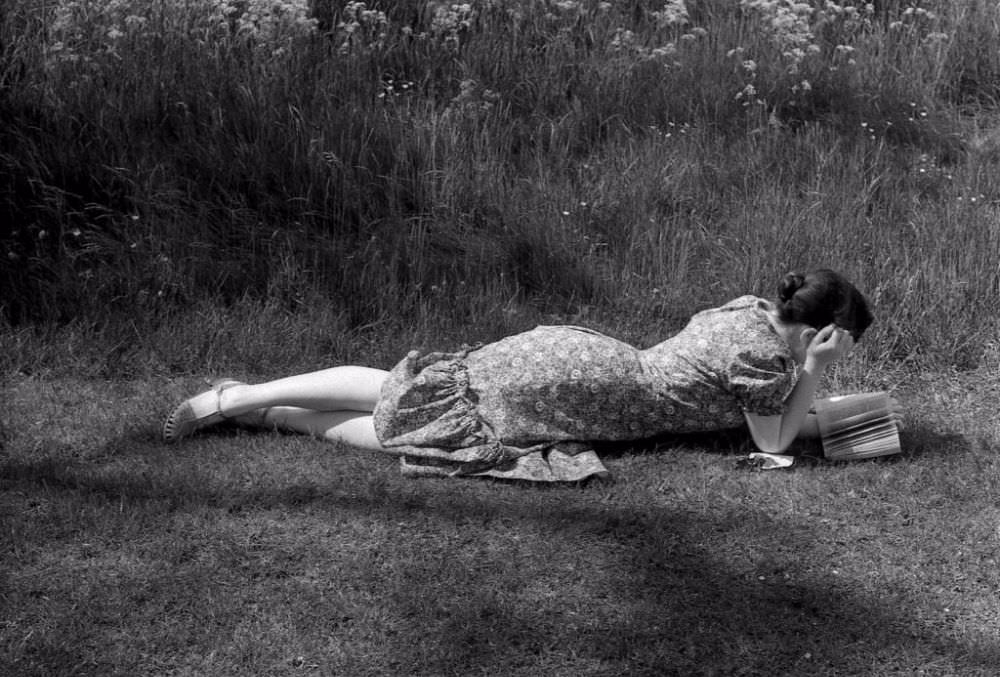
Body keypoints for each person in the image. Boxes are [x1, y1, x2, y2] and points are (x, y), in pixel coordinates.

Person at [163, 269, 881, 481]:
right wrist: (815, 374)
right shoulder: (767, 357)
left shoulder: (749, 312)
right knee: (426, 431)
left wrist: (809, 376)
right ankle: (251, 405)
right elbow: (775, 438)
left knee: (409, 385)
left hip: (581, 355)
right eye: (839, 336)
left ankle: (249, 402)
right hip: (591, 387)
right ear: (820, 329)